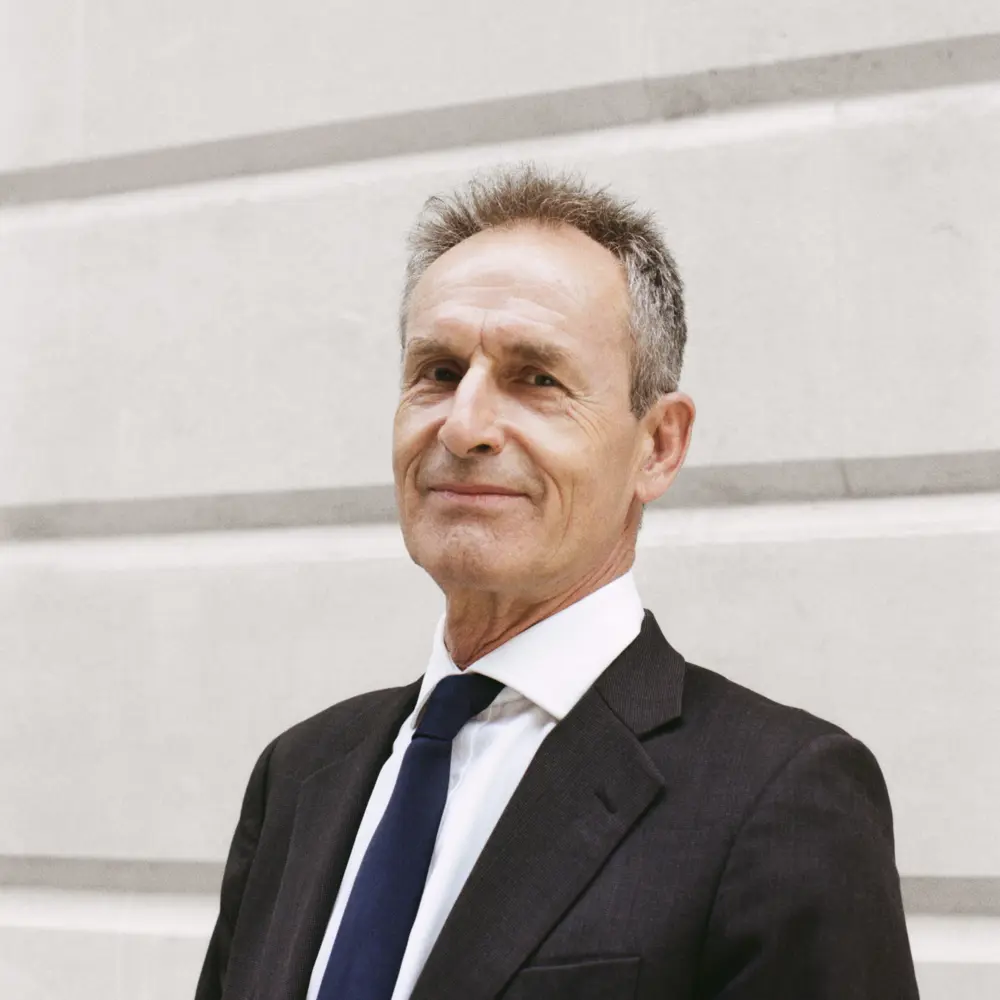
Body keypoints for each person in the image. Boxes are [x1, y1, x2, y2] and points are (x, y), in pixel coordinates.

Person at [196, 164, 919, 1000]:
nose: (464, 425)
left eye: (536, 378)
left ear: (658, 446)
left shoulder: (779, 797)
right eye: (436, 371)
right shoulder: (300, 777)